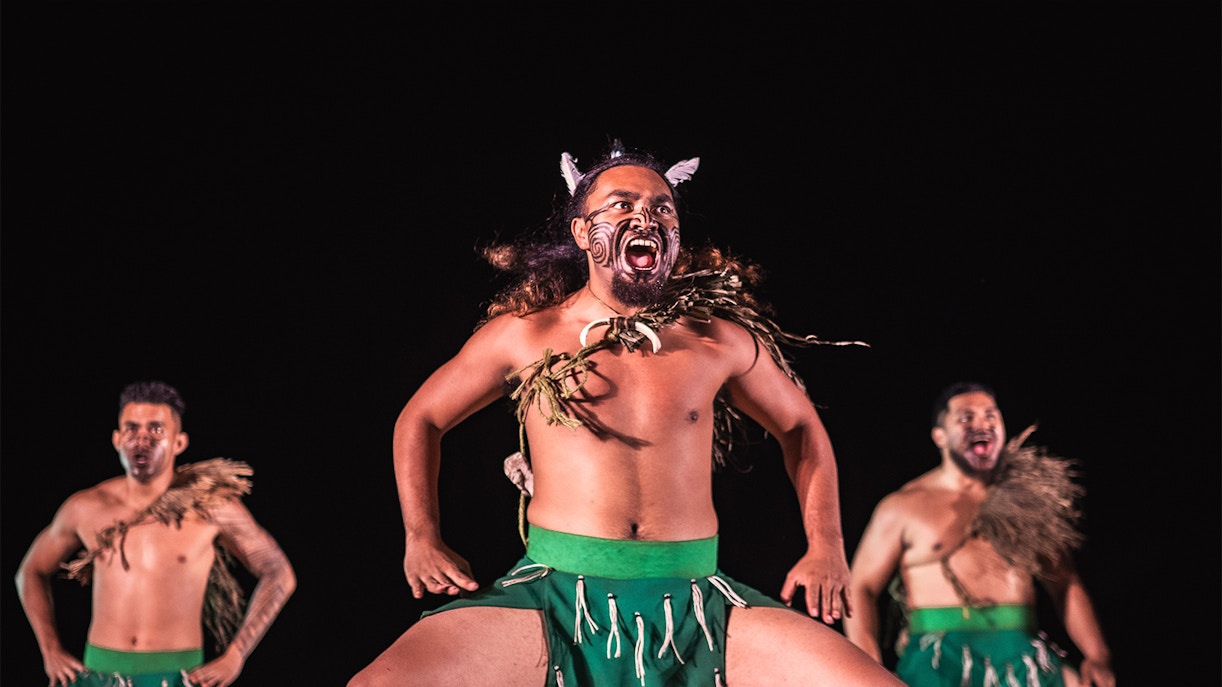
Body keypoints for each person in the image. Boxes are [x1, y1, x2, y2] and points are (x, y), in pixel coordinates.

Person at [347, 141, 903, 687]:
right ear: (582, 233)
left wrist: (826, 543)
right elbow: (420, 418)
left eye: (663, 207)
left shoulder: (718, 343)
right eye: (622, 204)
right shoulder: (526, 335)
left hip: (697, 599)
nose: (647, 215)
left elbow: (801, 426)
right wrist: (422, 536)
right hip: (554, 597)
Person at [15, 380, 297, 687]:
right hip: (99, 673)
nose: (142, 438)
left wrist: (236, 655)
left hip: (179, 675)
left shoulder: (213, 508)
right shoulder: (86, 507)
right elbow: (30, 571)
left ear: (179, 442)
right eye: (132, 428)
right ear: (117, 438)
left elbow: (279, 572)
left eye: (156, 429)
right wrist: (50, 649)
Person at [842, 381, 1115, 687]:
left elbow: (1065, 583)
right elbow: (860, 586)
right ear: (940, 436)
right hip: (938, 660)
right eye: (965, 418)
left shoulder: (1028, 505)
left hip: (1022, 656)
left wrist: (1096, 655)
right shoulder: (904, 506)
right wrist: (867, 667)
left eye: (990, 416)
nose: (981, 424)